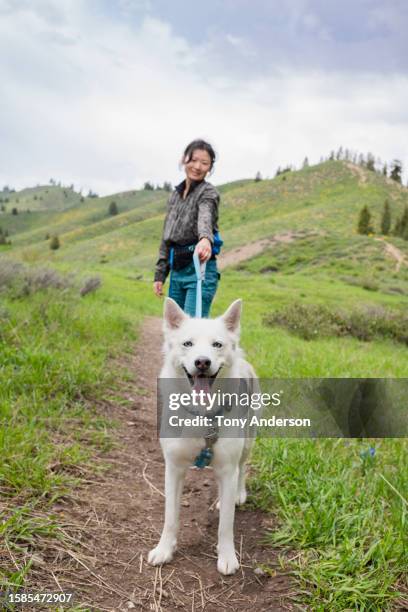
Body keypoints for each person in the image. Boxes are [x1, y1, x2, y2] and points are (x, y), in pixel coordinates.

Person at [153, 139, 221, 317]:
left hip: (199, 269)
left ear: (210, 167)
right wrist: (160, 274)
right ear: (185, 160)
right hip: (177, 270)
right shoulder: (174, 195)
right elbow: (167, 236)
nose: (198, 166)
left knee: (193, 330)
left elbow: (206, 216)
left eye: (204, 163)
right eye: (194, 160)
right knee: (175, 331)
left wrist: (205, 239)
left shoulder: (208, 193)